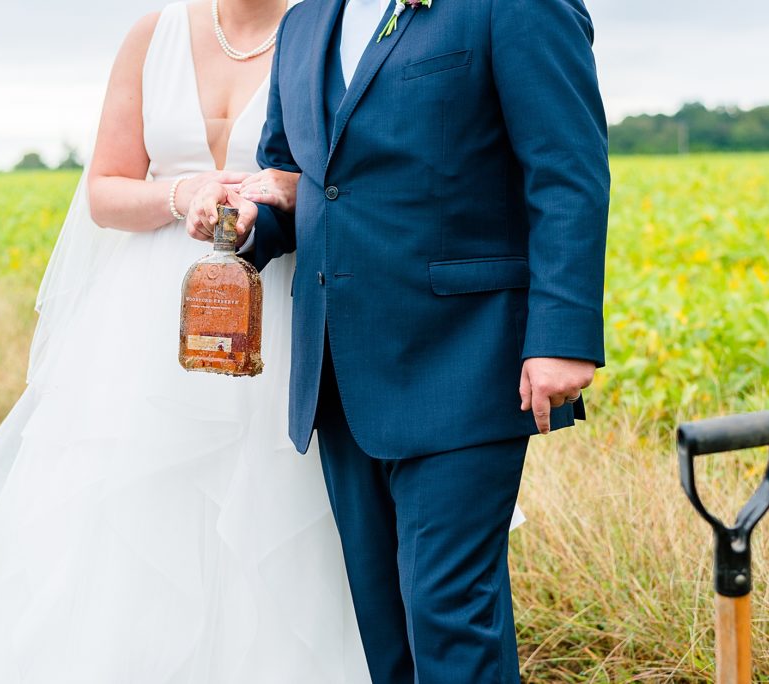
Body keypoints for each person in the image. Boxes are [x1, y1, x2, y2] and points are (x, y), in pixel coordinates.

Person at [0, 0, 442, 681]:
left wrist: (281, 191)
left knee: (277, 505)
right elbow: (104, 190)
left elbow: (353, 173)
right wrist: (182, 194)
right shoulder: (154, 33)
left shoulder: (324, 31)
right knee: (135, 513)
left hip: (277, 302)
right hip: (144, 321)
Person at [186, 0, 610, 681]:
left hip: (468, 357)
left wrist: (562, 334)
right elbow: (295, 184)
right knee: (383, 630)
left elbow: (568, 172)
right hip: (337, 372)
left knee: (450, 612)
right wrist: (237, 222)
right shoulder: (303, 24)